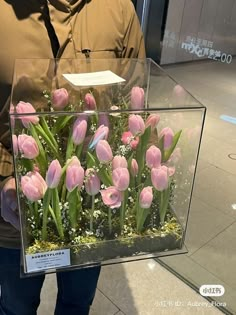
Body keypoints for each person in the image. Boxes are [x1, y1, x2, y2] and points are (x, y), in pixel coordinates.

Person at [0, 0, 145, 314]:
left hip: (92, 206)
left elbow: (134, 96)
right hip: (15, 212)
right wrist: (5, 174)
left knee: (77, 303)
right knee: (15, 306)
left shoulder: (118, 8)